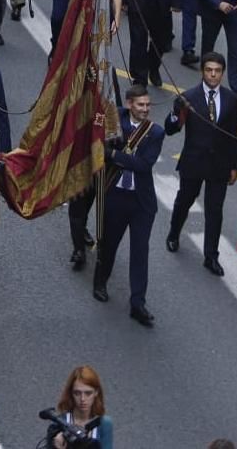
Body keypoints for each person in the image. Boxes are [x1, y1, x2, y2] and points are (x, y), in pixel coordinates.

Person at [92, 83, 165, 327]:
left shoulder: (155, 133)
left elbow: (144, 165)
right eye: (140, 105)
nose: (145, 109)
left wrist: (113, 155)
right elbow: (101, 114)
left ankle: (138, 303)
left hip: (141, 201)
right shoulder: (116, 120)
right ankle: (100, 281)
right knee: (109, 243)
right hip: (116, 196)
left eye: (148, 105)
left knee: (140, 252)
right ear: (129, 104)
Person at [163, 53, 237, 277]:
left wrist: (234, 166)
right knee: (184, 201)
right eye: (209, 70)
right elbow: (171, 128)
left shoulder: (231, 99)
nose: (213, 74)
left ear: (222, 72)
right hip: (194, 161)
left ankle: (211, 256)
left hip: (219, 164)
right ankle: (174, 233)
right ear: (203, 72)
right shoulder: (189, 97)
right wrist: (176, 112)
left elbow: (233, 135)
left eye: (217, 70)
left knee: (215, 211)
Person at [48, 366, 113, 449]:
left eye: (88, 393)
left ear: (96, 392)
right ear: (71, 393)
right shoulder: (59, 423)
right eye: (77, 393)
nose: (82, 399)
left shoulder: (103, 425)